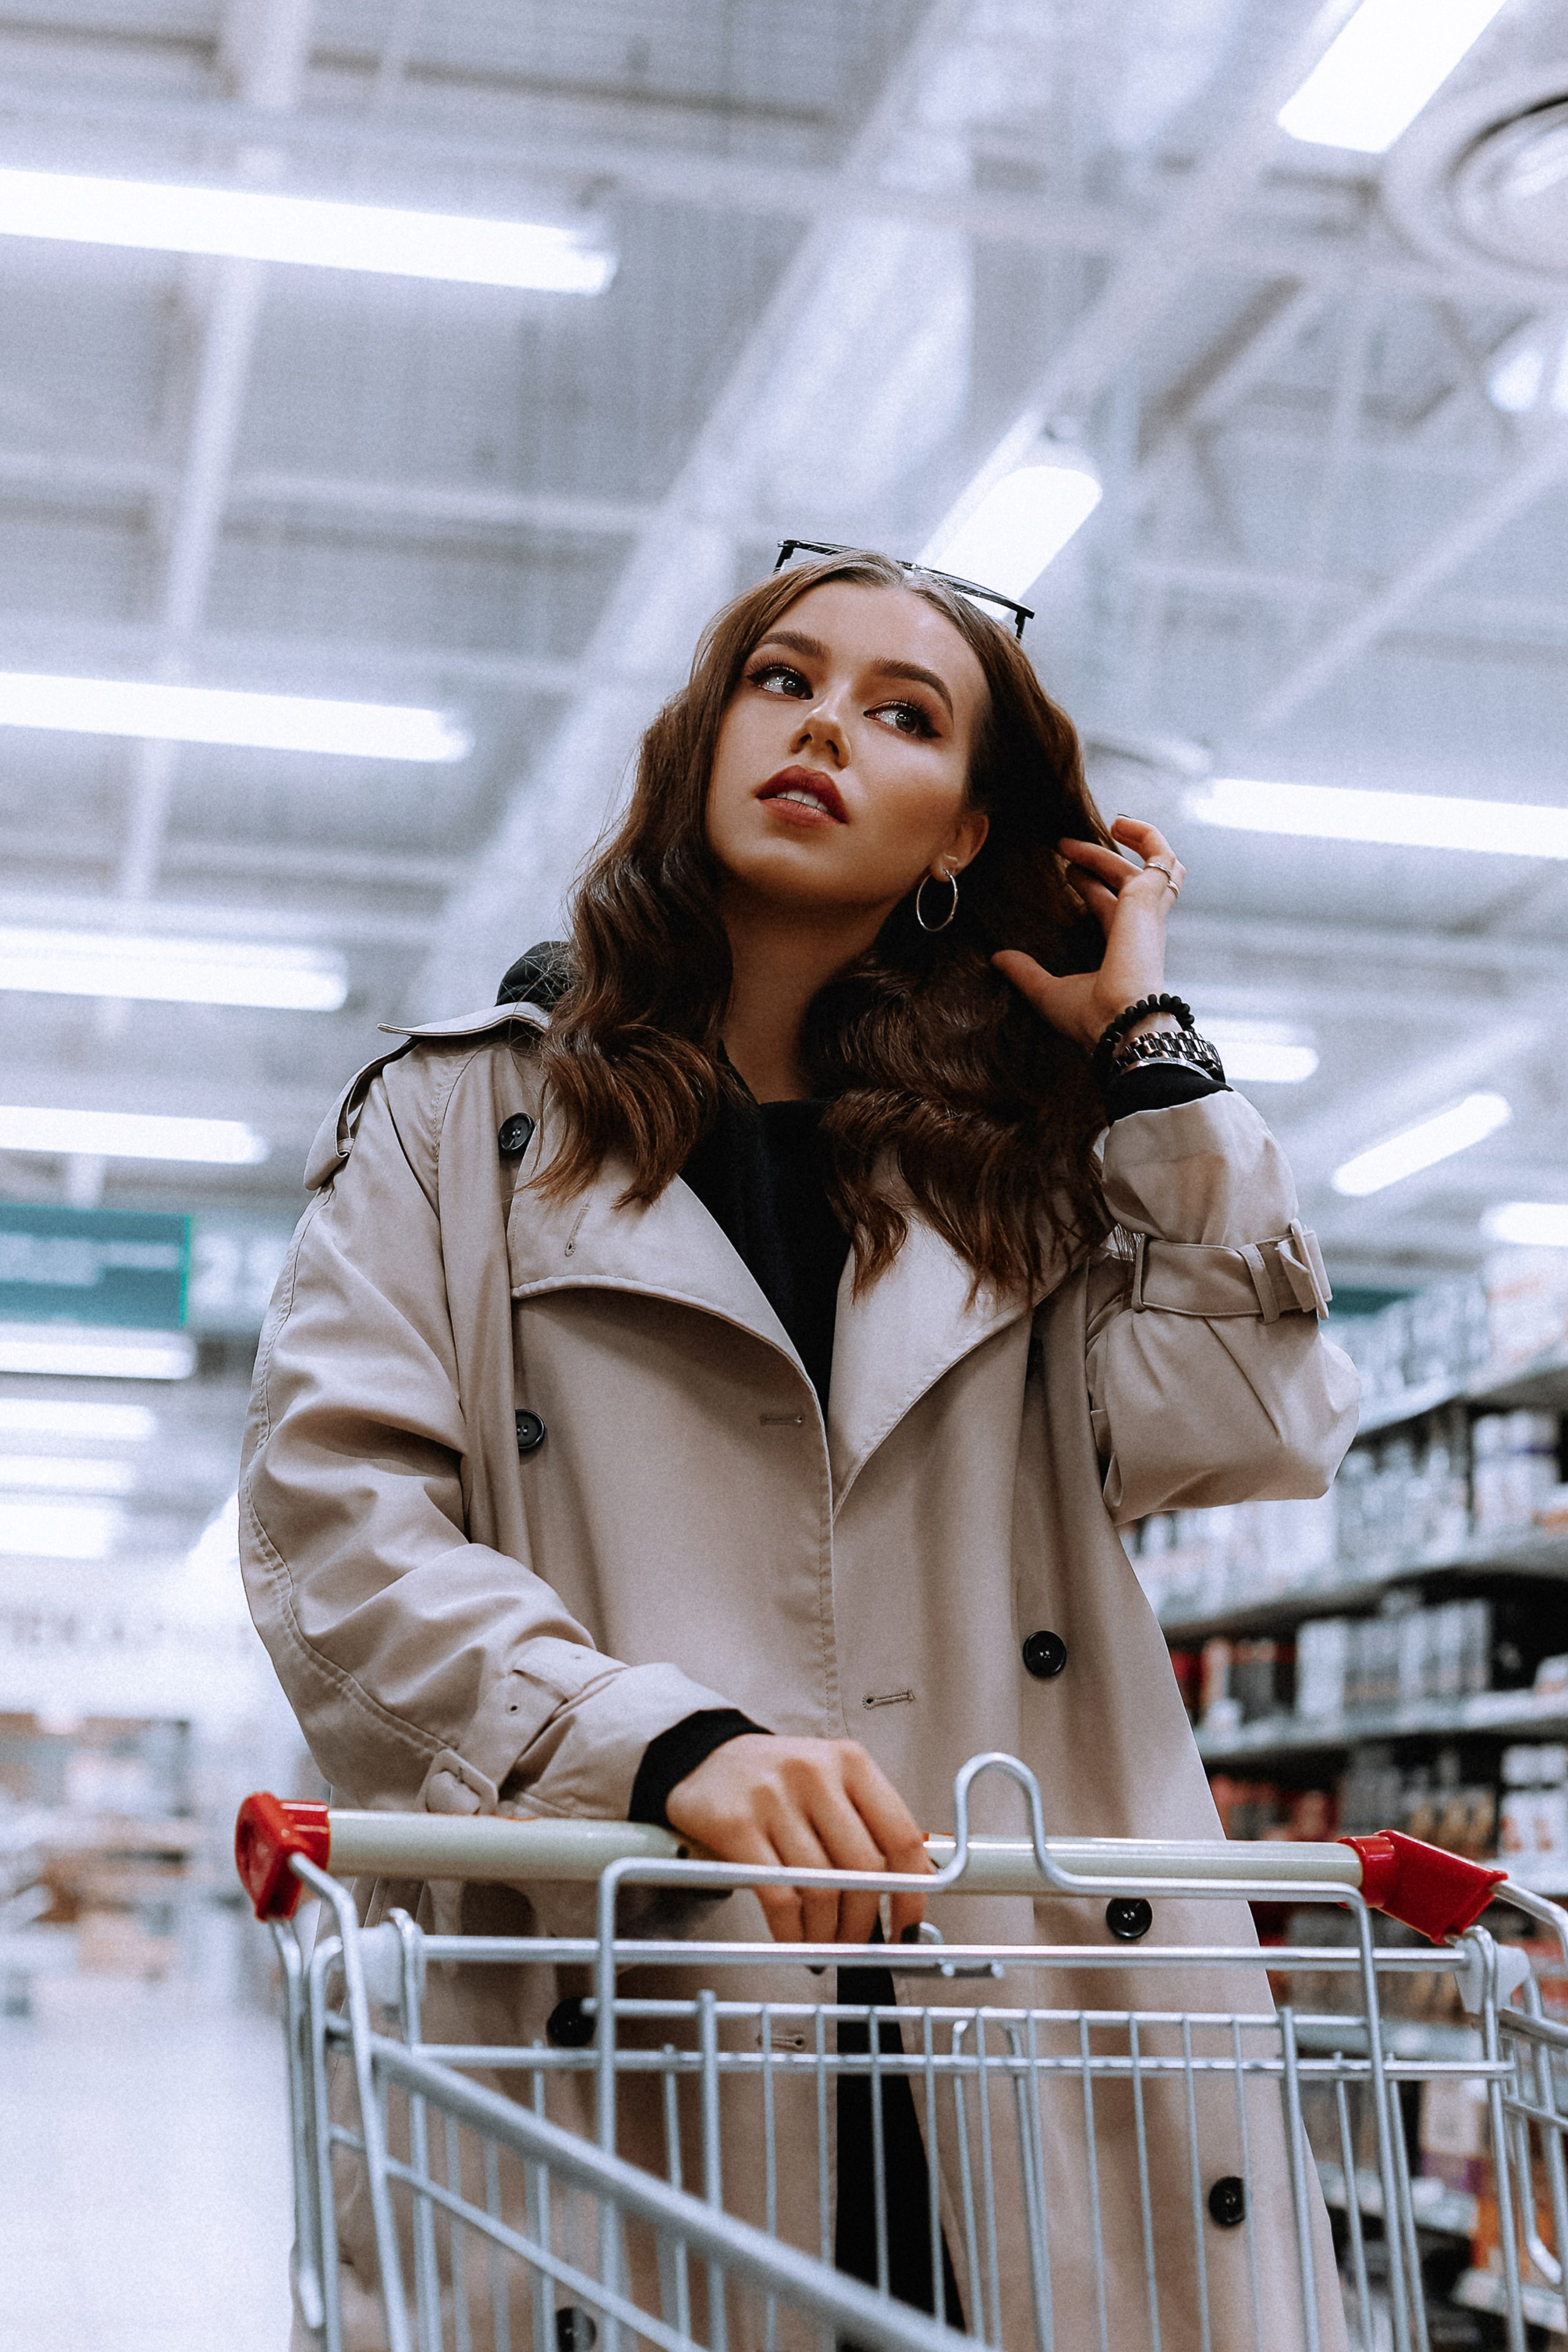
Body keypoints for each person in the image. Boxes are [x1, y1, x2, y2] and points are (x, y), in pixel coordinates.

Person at [241, 546, 1360, 2350]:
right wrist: (656, 1743)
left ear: (961, 838)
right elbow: (336, 1524)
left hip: (1024, 2039)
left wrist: (1152, 1062)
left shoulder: (1027, 1181)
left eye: (903, 713)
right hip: (634, 2004)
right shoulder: (459, 1128)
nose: (827, 725)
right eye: (786, 679)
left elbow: (1248, 1430)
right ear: (706, 736)